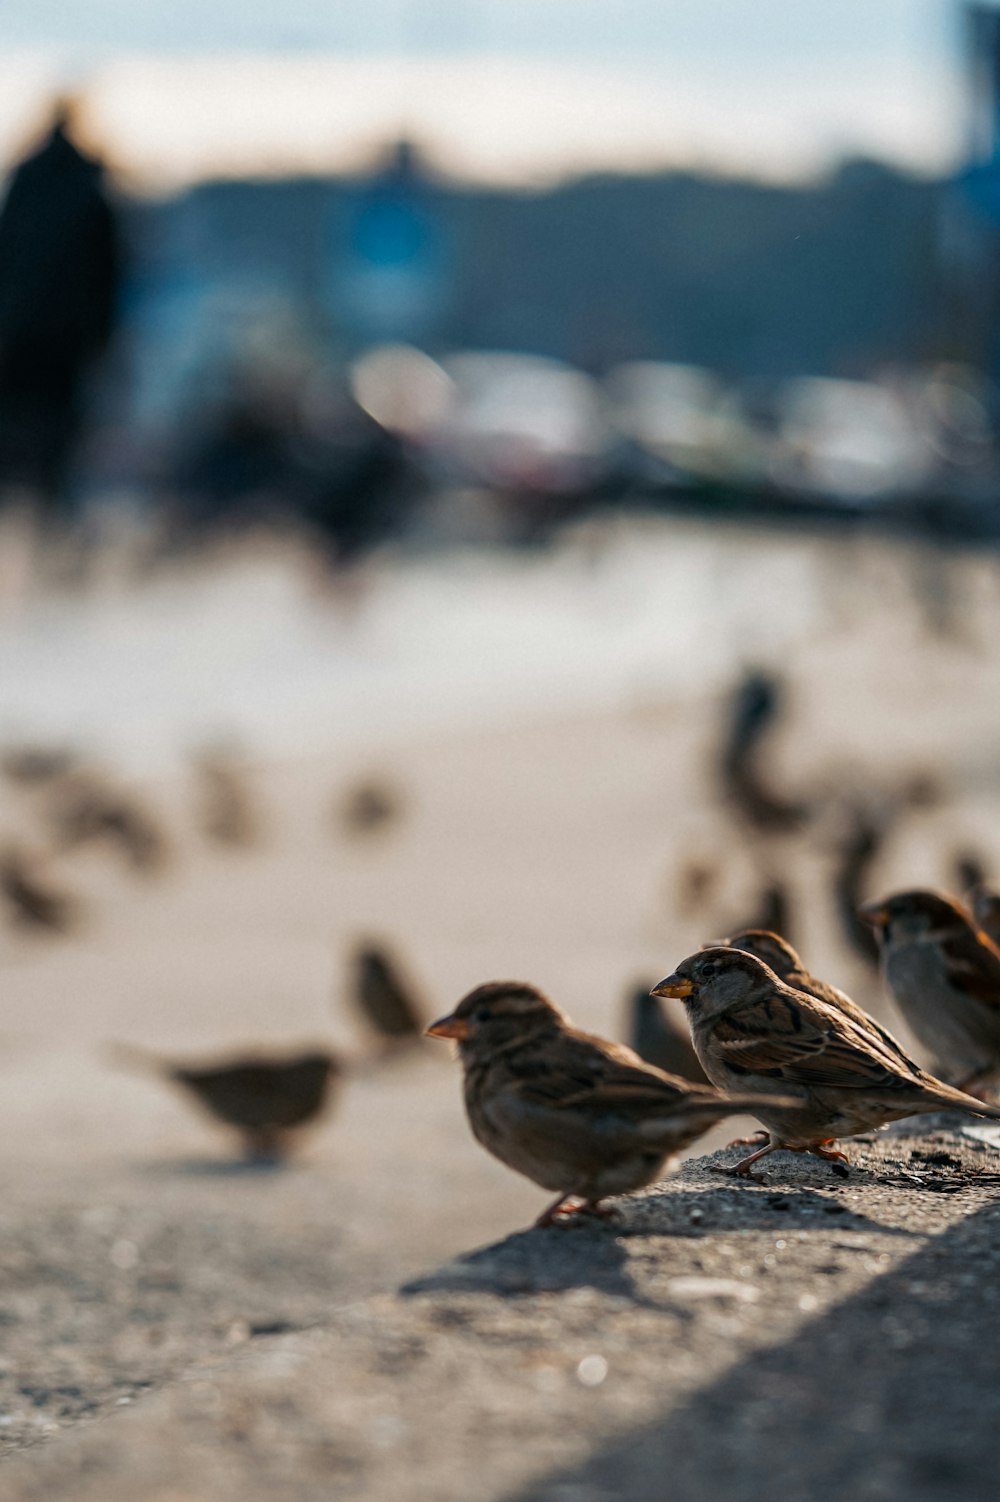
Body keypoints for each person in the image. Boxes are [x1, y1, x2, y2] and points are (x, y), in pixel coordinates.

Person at [0, 97, 123, 522]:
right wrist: (104, 336)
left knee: (15, 430)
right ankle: (46, 518)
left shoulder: (25, 184)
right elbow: (109, 273)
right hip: (69, 340)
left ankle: (24, 518)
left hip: (17, 334)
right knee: (57, 437)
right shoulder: (90, 190)